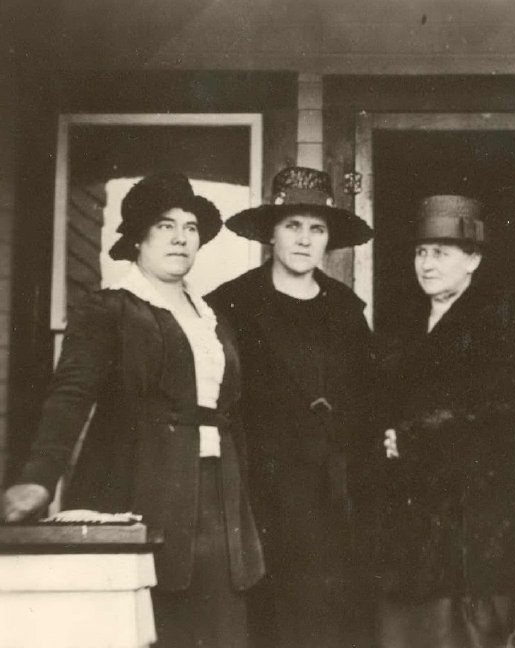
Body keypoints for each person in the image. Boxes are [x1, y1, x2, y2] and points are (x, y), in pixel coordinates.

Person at [2, 173, 265, 647]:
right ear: (139, 237)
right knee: (144, 625)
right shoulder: (111, 308)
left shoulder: (212, 318)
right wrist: (39, 477)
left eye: (190, 227)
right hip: (138, 484)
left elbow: (233, 411)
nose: (182, 237)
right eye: (166, 226)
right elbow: (70, 394)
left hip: (216, 499)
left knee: (220, 629)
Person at [205, 166, 376, 648]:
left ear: (328, 240)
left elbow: (368, 400)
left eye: (317, 228)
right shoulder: (230, 305)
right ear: (271, 235)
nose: (304, 240)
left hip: (334, 501)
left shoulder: (346, 308)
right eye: (292, 226)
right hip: (261, 497)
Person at [374, 195, 515, 648]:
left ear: (473, 259)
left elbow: (505, 414)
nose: (426, 264)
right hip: (410, 525)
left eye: (441, 252)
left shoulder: (500, 325)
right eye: (420, 252)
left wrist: (411, 438)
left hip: (472, 525)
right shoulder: (403, 323)